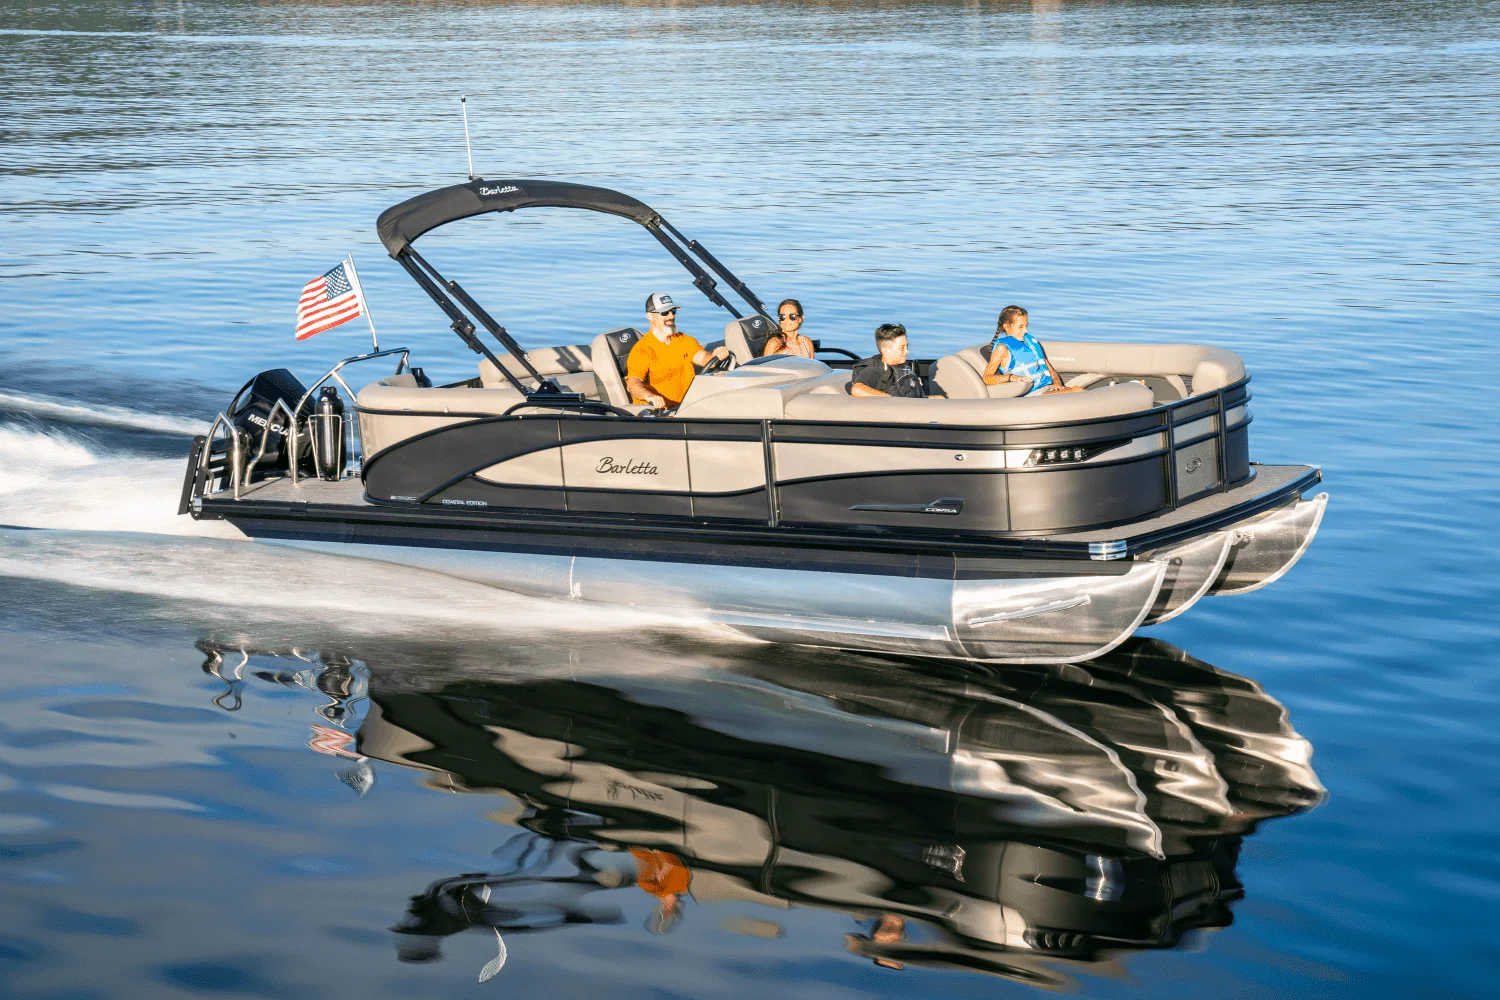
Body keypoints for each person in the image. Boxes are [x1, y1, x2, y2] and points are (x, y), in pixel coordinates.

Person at [624, 293, 731, 409]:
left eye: (673, 311)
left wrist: (714, 354)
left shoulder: (684, 340)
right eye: (665, 313)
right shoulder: (642, 350)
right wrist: (649, 396)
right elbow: (633, 383)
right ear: (650, 316)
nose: (671, 316)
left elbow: (703, 359)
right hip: (661, 412)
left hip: (688, 406)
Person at [980, 305, 1081, 394]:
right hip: (1032, 394)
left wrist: (1057, 384)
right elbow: (987, 378)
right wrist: (1011, 377)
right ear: (1006, 327)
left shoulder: (1030, 344)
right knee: (1077, 391)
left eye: (1026, 325)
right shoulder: (1002, 348)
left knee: (1078, 390)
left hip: (1047, 388)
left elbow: (1051, 370)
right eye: (1020, 326)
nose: (1025, 330)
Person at [849, 323, 927, 398]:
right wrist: (890, 399)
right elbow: (857, 389)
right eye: (902, 348)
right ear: (885, 350)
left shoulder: (904, 368)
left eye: (907, 346)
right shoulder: (875, 370)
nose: (907, 351)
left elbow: (920, 399)